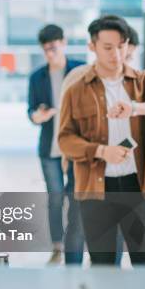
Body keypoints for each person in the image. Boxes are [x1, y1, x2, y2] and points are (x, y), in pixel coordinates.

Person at [59, 15, 145, 266]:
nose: (116, 53)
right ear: (92, 47)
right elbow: (65, 139)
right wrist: (101, 151)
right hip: (95, 189)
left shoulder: (144, 81)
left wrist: (138, 108)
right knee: (103, 264)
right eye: (108, 47)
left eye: (121, 45)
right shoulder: (77, 89)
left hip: (136, 188)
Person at [27, 24, 86, 264]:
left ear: (63, 42)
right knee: (54, 197)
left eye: (53, 47)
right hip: (49, 147)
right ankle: (57, 245)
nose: (49, 53)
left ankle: (75, 245)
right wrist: (37, 116)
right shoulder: (37, 76)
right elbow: (31, 111)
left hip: (76, 145)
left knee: (75, 197)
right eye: (45, 49)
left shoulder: (80, 71)